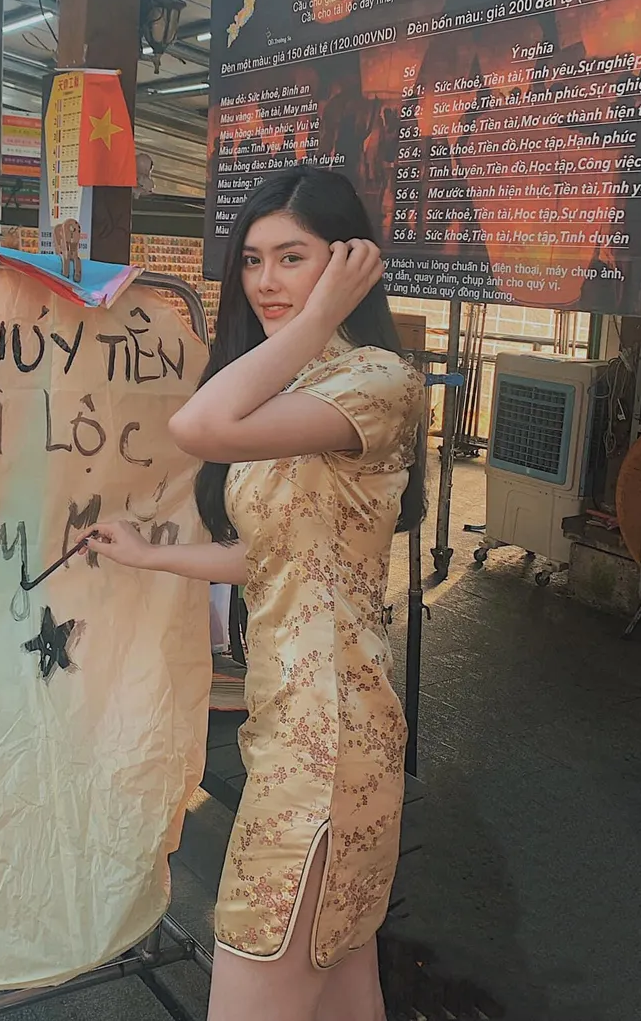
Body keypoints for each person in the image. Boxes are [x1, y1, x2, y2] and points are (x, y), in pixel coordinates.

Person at [89, 167, 425, 1021]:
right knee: (342, 985)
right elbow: (276, 555)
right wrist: (153, 555)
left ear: (348, 262)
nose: (266, 281)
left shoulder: (377, 379)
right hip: (297, 724)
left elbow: (198, 426)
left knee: (260, 966)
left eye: (292, 257)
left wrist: (317, 318)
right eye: (251, 259)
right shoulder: (295, 387)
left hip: (329, 739)